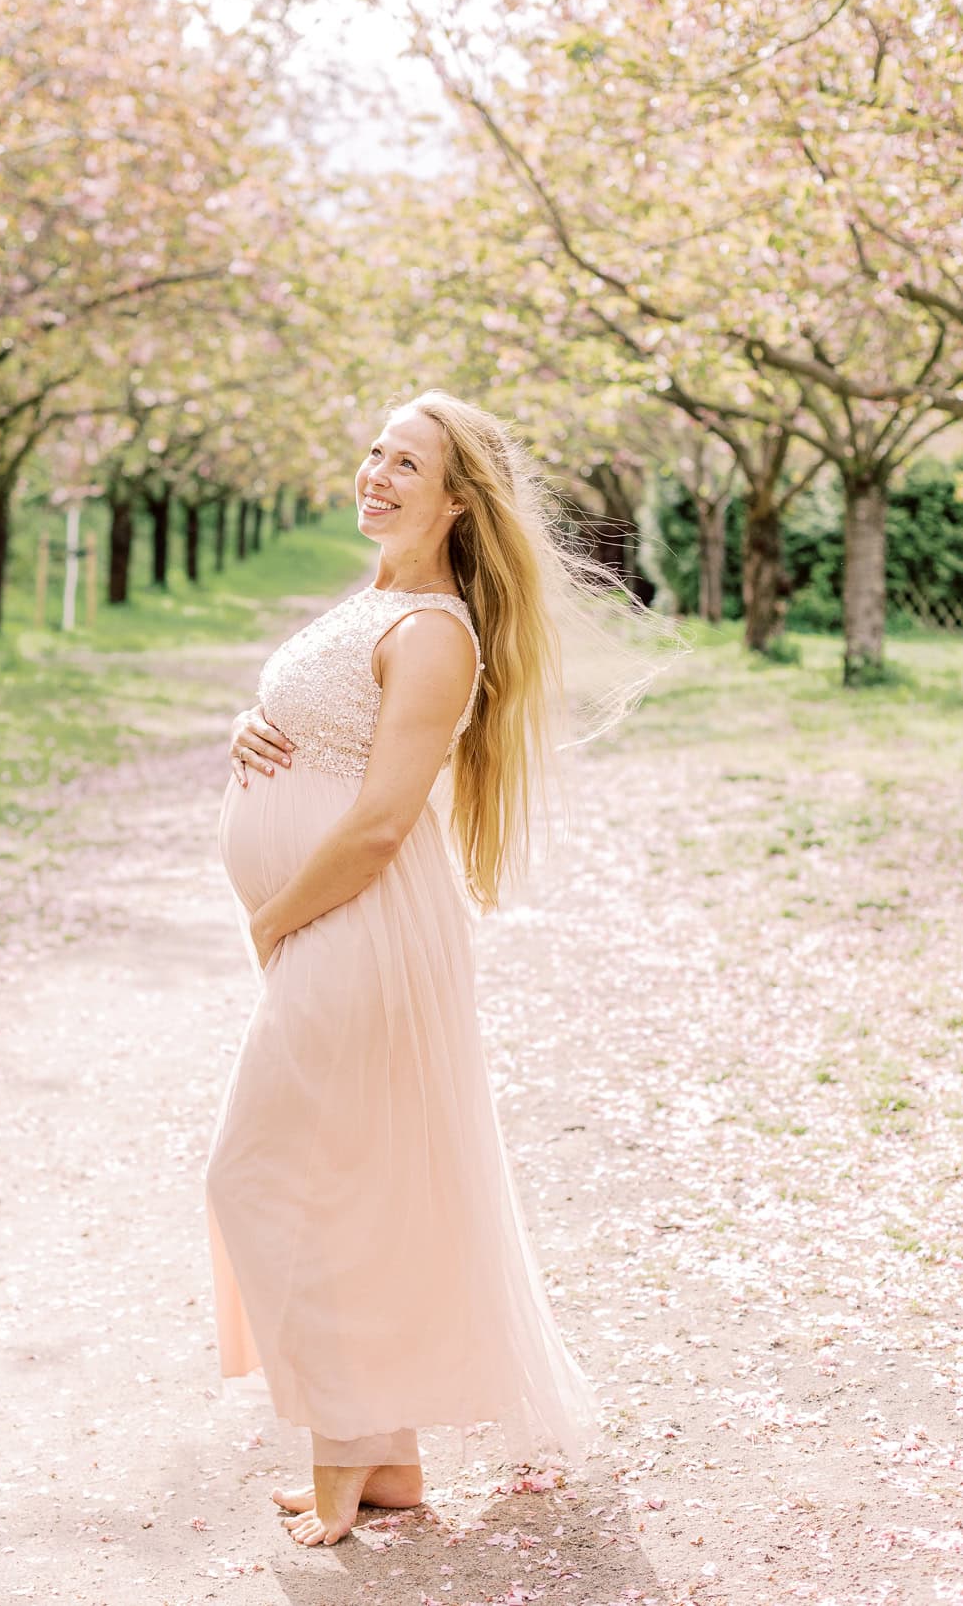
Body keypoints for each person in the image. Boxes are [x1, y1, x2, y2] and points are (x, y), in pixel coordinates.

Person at [204, 389, 662, 1548]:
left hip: (355, 926)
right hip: (329, 928)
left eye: (407, 463)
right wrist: (247, 732)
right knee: (328, 1173)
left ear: (459, 500)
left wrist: (273, 927)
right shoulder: (377, 602)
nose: (376, 474)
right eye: (373, 452)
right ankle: (389, 1461)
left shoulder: (437, 633)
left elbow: (375, 826)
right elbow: (313, 719)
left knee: (267, 1180)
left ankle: (345, 1460)